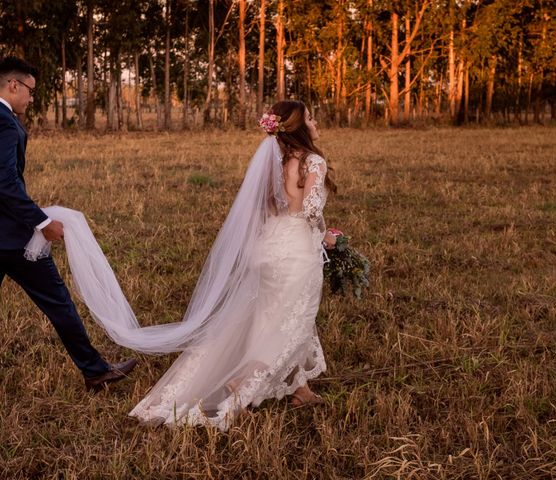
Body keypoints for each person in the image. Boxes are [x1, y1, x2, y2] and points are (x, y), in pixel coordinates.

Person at [129, 100, 337, 428]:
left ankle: (300, 389)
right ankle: (236, 389)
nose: (314, 122)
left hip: (266, 248)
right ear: (298, 126)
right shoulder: (313, 161)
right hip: (295, 252)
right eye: (310, 117)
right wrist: (328, 237)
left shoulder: (272, 161)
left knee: (276, 319)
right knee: (287, 328)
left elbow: (264, 208)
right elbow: (309, 210)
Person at [0, 56, 137, 392]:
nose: (31, 99)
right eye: (30, 91)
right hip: (12, 236)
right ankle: (94, 371)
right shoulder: (4, 122)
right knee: (58, 300)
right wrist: (42, 221)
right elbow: (4, 181)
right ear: (13, 85)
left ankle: (94, 369)